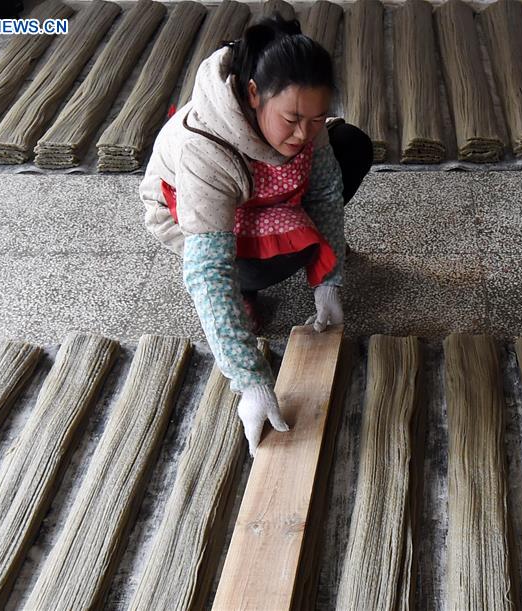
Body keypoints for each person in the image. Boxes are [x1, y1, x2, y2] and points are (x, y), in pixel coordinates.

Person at [138, 15, 373, 457]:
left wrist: (329, 277)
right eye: (292, 119)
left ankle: (301, 252)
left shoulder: (305, 121)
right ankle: (250, 285)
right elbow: (208, 271)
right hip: (197, 214)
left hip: (270, 197)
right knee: (253, 268)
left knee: (353, 147)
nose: (305, 133)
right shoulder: (205, 150)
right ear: (252, 95)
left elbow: (324, 191)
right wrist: (250, 380)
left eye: (317, 118)